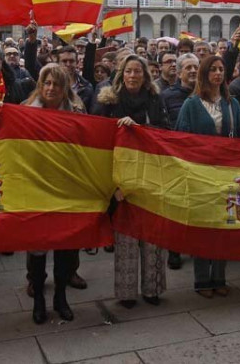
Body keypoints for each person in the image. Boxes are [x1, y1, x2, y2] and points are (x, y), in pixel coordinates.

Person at [96, 55, 168, 308]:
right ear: (121, 74)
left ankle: (153, 289)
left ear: (145, 76)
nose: (133, 75)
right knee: (126, 238)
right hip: (120, 180)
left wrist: (138, 129)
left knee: (152, 236)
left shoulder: (155, 100)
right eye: (129, 71)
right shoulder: (108, 102)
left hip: (150, 176)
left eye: (138, 71)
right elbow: (100, 141)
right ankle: (127, 293)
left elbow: (164, 133)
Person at [176, 55, 240, 298]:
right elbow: (182, 140)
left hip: (227, 174)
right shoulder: (191, 104)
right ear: (204, 74)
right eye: (213, 70)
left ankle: (219, 276)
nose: (218, 73)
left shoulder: (232, 104)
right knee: (203, 227)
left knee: (223, 226)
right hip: (201, 174)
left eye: (221, 69)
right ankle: (201, 280)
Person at [21, 65, 85, 324]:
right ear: (40, 85)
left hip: (66, 188)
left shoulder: (77, 114)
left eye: (56, 85)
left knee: (64, 248)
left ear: (64, 89)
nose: (51, 89)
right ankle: (39, 300)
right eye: (46, 83)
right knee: (37, 249)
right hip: (36, 188)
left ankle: (61, 297)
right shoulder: (25, 112)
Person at [159, 53, 199, 270]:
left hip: (199, 157)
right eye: (188, 67)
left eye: (196, 67)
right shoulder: (167, 95)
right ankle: (174, 250)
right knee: (176, 205)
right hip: (175, 157)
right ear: (180, 71)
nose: (193, 71)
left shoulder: (206, 94)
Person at [57, 46, 94, 112]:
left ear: (77, 62)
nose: (68, 64)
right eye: (64, 61)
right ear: (58, 63)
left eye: (71, 61)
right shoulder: (49, 85)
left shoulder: (87, 87)